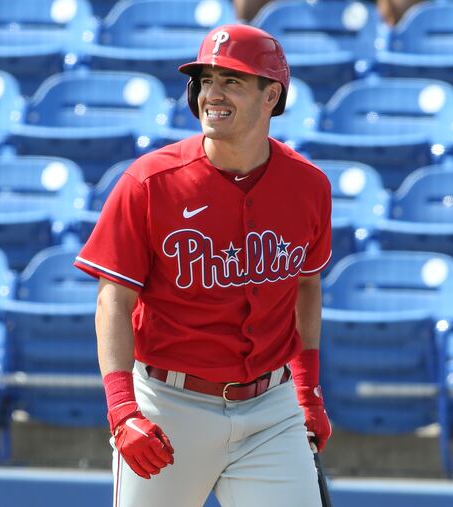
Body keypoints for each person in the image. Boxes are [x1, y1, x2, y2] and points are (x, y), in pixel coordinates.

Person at [74, 24, 332, 507]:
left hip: (271, 407)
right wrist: (122, 408)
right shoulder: (149, 182)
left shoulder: (309, 185)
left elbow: (306, 284)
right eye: (206, 80)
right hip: (170, 405)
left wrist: (307, 387)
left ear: (271, 95)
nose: (212, 93)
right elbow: (113, 300)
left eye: (232, 80)